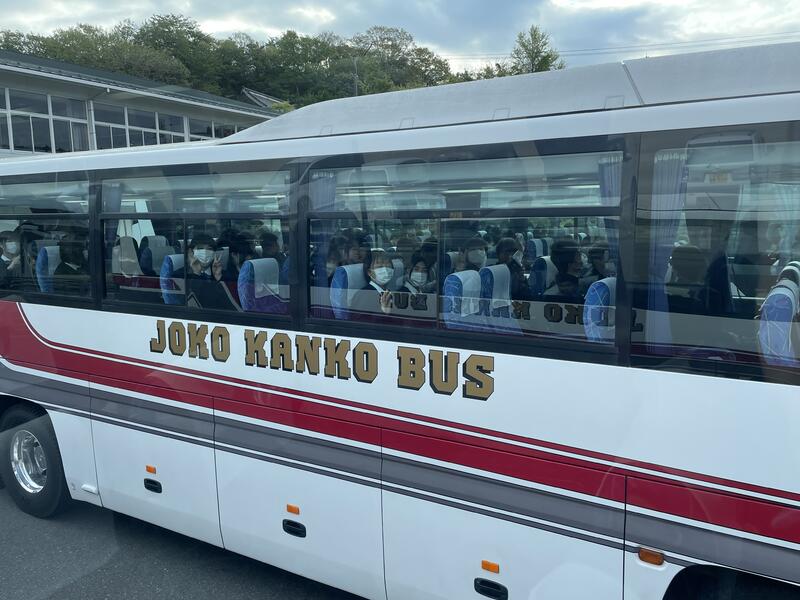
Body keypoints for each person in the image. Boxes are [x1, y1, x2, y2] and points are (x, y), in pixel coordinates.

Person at [175, 233, 239, 310]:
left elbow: (232, 304)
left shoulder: (224, 274)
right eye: (200, 248)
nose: (205, 252)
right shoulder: (179, 275)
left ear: (214, 253)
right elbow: (189, 303)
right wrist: (196, 274)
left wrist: (219, 279)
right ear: (191, 252)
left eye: (209, 249)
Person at [354, 248, 395, 315]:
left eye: (388, 264)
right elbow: (361, 319)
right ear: (369, 272)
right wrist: (384, 312)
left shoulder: (391, 292)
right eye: (380, 266)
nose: (385, 269)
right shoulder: (364, 294)